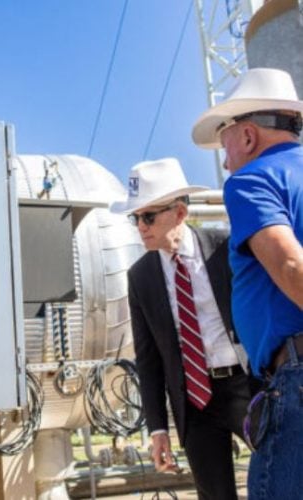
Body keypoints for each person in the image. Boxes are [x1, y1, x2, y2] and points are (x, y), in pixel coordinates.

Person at [111, 158, 253, 500]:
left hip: (245, 388)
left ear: (179, 213)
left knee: (283, 478)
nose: (140, 227)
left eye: (148, 216)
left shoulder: (225, 249)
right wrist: (158, 428)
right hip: (194, 403)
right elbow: (147, 360)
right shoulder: (141, 276)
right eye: (136, 218)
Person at [192, 67, 303, 499]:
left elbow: (291, 265)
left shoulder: (251, 181)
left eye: (226, 146)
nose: (225, 161)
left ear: (249, 137)